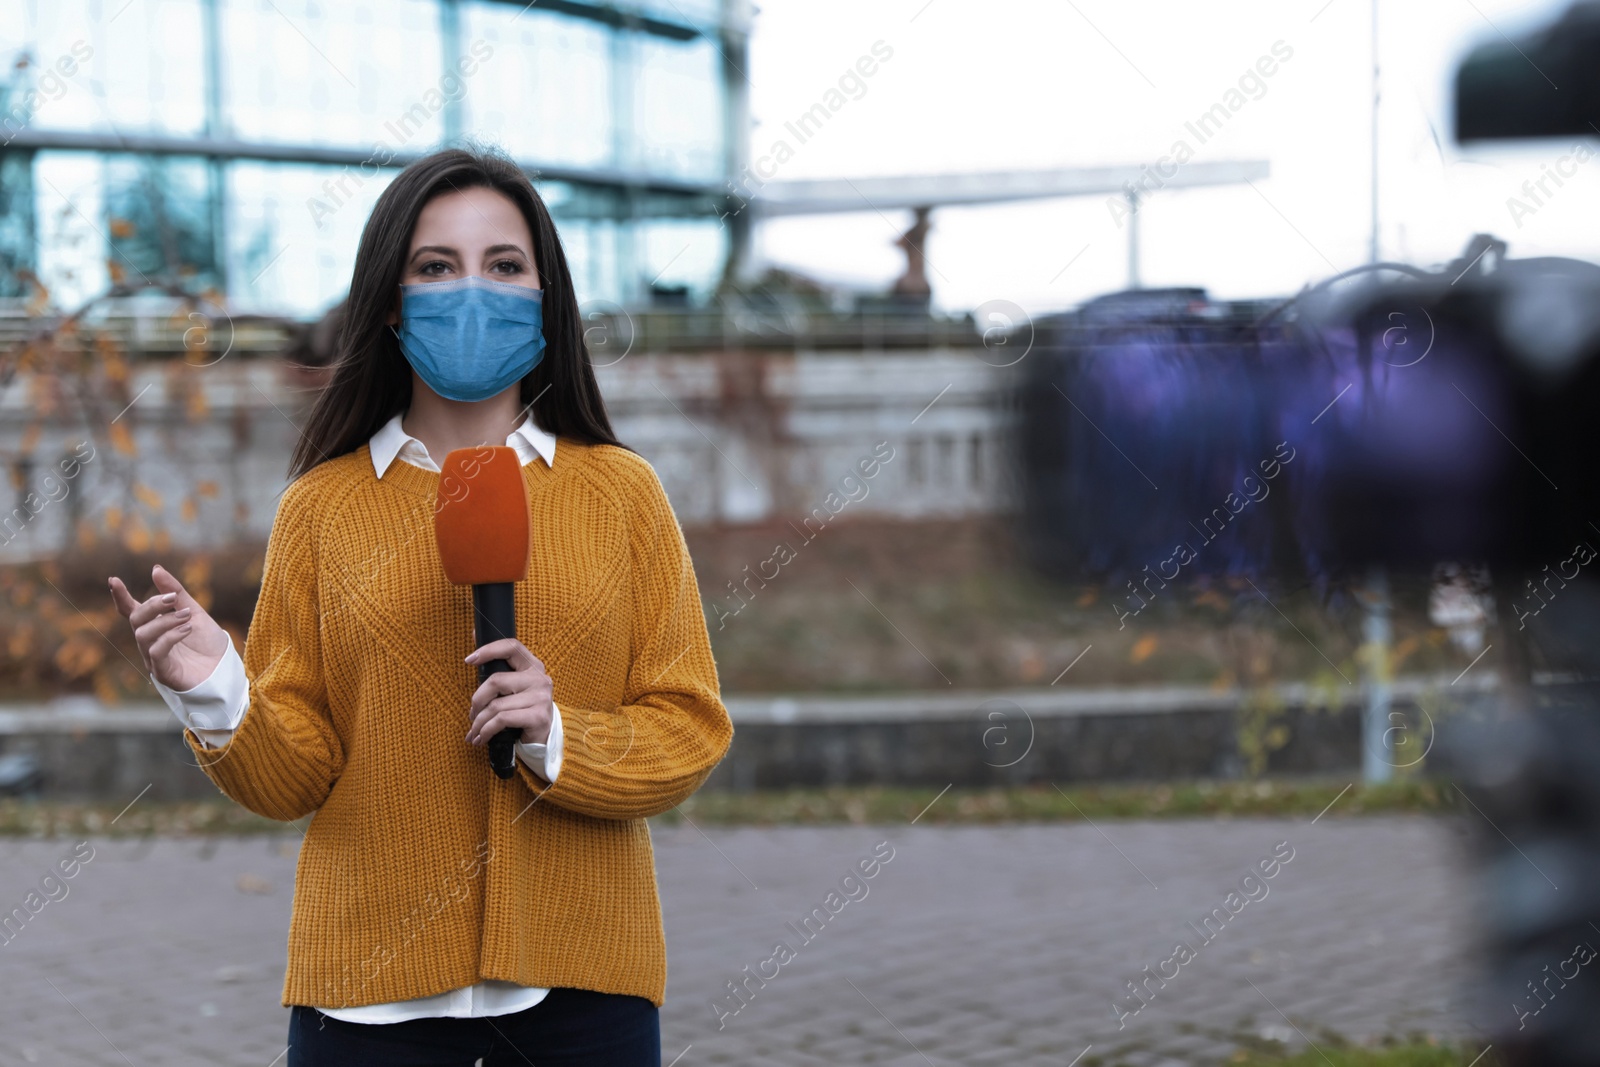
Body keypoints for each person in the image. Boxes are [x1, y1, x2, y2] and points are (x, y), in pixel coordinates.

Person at [108, 148, 732, 1066]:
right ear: (392, 301)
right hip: (363, 1010)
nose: (470, 290)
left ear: (545, 296)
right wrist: (217, 690)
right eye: (436, 266)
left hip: (586, 994)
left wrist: (558, 735)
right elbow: (297, 776)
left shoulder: (623, 493)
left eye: (504, 265)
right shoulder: (321, 506)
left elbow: (688, 728)